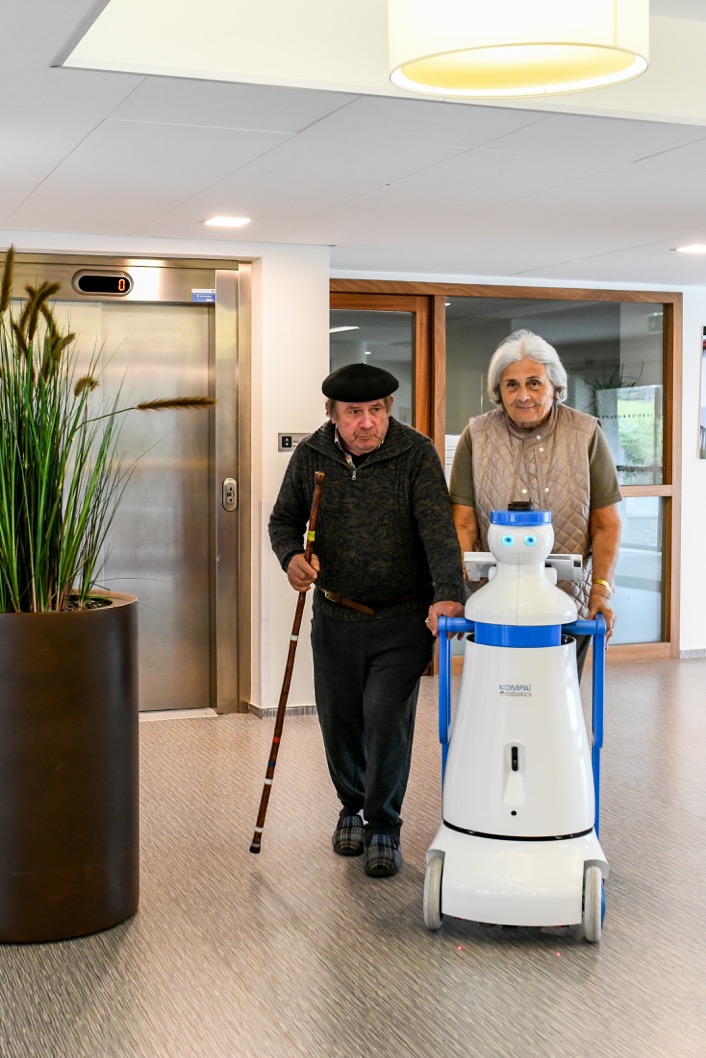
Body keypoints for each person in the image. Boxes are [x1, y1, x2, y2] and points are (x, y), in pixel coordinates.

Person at [268, 363, 465, 879]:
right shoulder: (313, 454)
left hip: (402, 618)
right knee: (340, 722)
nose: (367, 422)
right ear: (332, 415)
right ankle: (350, 807)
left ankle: (383, 824)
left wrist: (447, 594)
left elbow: (438, 532)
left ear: (389, 410)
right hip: (335, 614)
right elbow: (283, 519)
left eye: (376, 410)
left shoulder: (415, 453)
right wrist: (292, 557)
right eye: (354, 413)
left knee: (385, 720)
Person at [449, 329, 622, 675]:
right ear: (498, 392)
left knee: (557, 699)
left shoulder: (586, 433)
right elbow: (463, 523)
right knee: (499, 697)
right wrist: (462, 591)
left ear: (555, 387)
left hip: (567, 601)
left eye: (534, 383)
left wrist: (600, 592)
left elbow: (606, 524)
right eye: (511, 385)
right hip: (494, 602)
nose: (523, 395)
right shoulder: (477, 435)